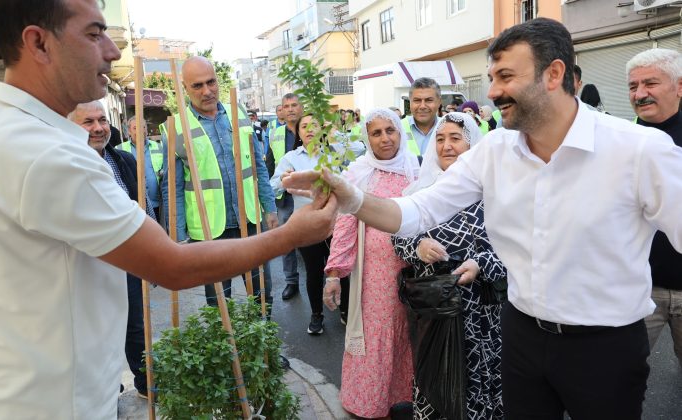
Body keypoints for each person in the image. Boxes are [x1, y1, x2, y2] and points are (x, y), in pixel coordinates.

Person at [0, 1, 338, 417]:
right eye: (94, 34)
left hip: (0, 392)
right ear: (39, 43)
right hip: (56, 404)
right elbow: (172, 266)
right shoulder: (50, 155)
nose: (112, 52)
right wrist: (293, 234)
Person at [284, 18, 682, 419]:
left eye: (505, 76)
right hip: (521, 336)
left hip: (605, 348)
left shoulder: (640, 150)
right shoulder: (495, 151)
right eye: (492, 77)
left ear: (554, 74)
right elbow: (418, 210)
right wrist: (350, 196)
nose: (492, 92)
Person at [393, 112, 507, 419]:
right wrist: (416, 246)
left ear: (473, 147)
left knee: (477, 386)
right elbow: (397, 237)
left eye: (456, 138)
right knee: (435, 383)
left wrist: (481, 263)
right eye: (440, 139)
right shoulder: (421, 192)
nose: (447, 146)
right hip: (434, 313)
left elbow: (514, 252)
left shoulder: (493, 195)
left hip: (479, 315)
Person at [322, 108, 418, 419]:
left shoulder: (414, 168)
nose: (385, 138)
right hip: (375, 277)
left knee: (409, 333)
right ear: (367, 138)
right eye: (376, 133)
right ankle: (370, 404)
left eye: (390, 130)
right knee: (377, 334)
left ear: (400, 133)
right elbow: (346, 225)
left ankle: (402, 397)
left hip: (413, 271)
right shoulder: (359, 172)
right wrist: (334, 274)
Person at [162, 56, 277, 307]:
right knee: (218, 303)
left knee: (262, 295)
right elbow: (173, 188)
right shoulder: (176, 127)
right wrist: (178, 235)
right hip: (209, 230)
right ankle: (227, 345)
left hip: (249, 219)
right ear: (185, 88)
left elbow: (257, 166)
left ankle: (261, 347)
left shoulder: (239, 114)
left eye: (211, 82)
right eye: (197, 86)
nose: (207, 91)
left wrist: (270, 207)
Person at [69, 100, 155, 399]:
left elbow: (143, 209)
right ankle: (107, 390)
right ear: (72, 126)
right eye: (88, 122)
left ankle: (146, 383)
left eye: (102, 120)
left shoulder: (124, 160)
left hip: (128, 259)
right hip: (90, 263)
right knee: (96, 330)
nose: (98, 128)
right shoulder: (68, 165)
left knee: (135, 324)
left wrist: (153, 254)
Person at [270, 114, 351, 334]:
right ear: (298, 133)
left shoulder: (334, 152)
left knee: (340, 269)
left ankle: (345, 310)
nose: (308, 130)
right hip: (307, 225)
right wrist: (284, 178)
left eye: (314, 125)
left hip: (338, 222)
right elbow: (274, 184)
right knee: (314, 272)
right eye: (303, 126)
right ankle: (317, 315)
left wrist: (335, 133)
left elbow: (360, 149)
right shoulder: (291, 158)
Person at [627, 48, 682, 367]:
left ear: (679, 86)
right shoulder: (625, 140)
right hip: (641, 289)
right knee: (620, 377)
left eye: (650, 83)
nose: (640, 94)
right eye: (633, 86)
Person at [267, 93, 303, 300]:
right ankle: (291, 281)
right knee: (286, 241)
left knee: (316, 239)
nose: (290, 109)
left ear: (302, 107)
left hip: (310, 196)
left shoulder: (313, 129)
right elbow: (270, 164)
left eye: (294, 105)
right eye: (286, 106)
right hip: (285, 198)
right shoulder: (275, 134)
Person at [119, 115, 163, 221]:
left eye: (143, 127)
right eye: (135, 128)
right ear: (129, 131)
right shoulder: (119, 150)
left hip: (157, 203)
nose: (140, 130)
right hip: (132, 205)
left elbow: (165, 169)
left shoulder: (159, 147)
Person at [404, 77, 441, 156]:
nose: (422, 106)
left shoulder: (449, 127)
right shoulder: (397, 128)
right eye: (417, 100)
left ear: (439, 102)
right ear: (410, 102)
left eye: (429, 100)